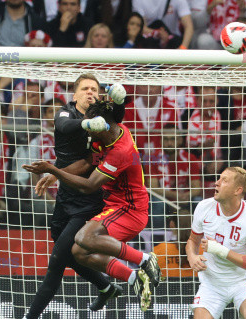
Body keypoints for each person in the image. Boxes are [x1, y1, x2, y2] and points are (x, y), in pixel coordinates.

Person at [23, 100, 162, 312]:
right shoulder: (107, 135)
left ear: (102, 125)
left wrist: (53, 170)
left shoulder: (120, 151)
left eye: (90, 127)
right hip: (113, 206)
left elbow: (89, 185)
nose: (87, 132)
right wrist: (54, 175)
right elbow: (88, 163)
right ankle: (133, 277)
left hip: (130, 209)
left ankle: (144, 260)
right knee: (79, 252)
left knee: (82, 238)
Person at [21, 74, 128, 318]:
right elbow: (63, 126)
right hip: (64, 199)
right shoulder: (66, 113)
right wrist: (86, 125)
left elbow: (114, 123)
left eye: (95, 89)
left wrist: (120, 102)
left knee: (56, 262)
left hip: (89, 201)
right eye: (85, 88)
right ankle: (105, 286)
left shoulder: (103, 117)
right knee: (65, 251)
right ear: (75, 95)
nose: (91, 92)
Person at [186, 166, 246, 319]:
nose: (216, 183)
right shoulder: (203, 207)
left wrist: (220, 250)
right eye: (218, 178)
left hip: (244, 281)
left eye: (224, 181)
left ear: (237, 190)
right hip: (212, 283)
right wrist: (192, 256)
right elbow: (192, 240)